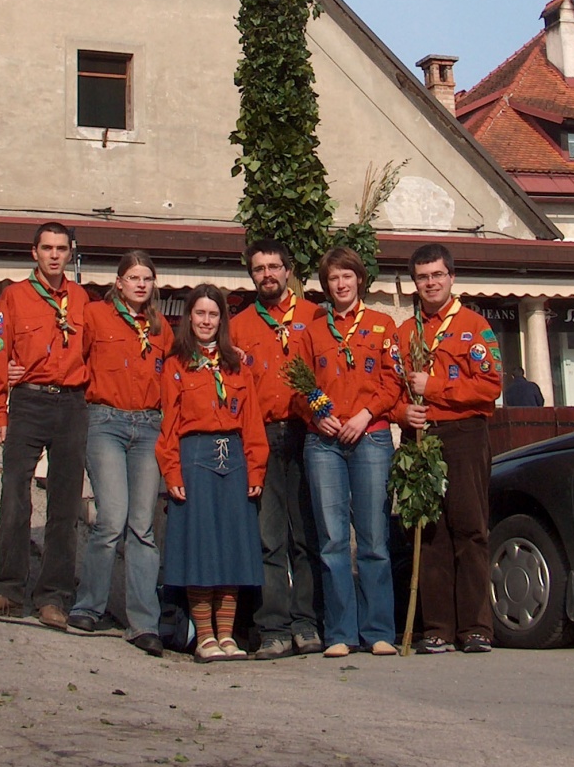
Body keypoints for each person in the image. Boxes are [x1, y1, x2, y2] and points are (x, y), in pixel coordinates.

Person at [0, 222, 89, 630]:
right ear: (33, 252)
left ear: (70, 253)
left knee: (64, 504)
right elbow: (1, 352)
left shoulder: (81, 299)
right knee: (15, 496)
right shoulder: (14, 296)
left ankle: (54, 597)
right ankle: (8, 591)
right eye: (47, 248)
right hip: (29, 402)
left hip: (72, 405)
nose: (54, 255)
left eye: (61, 248)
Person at [294, 247, 400, 658]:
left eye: (347, 276)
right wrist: (315, 416)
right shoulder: (313, 330)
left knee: (374, 537)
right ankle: (340, 631)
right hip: (324, 443)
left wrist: (367, 413)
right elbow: (300, 386)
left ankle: (378, 631)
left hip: (370, 437)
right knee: (333, 539)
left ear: (360, 280)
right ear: (326, 284)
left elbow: (394, 382)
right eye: (334, 278)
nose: (341, 284)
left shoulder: (382, 324)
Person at [396, 242, 502, 654]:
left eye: (437, 275)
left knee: (470, 529)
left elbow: (490, 386)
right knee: (428, 531)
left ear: (451, 277)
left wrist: (434, 387)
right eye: (423, 277)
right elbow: (391, 387)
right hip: (420, 438)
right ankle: (437, 627)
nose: (431, 283)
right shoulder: (406, 333)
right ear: (413, 284)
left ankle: (476, 627)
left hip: (463, 435)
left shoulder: (474, 326)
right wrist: (403, 411)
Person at [68, 250, 172, 656]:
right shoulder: (95, 316)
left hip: (148, 426)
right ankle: (88, 606)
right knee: (111, 518)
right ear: (119, 282)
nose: (141, 284)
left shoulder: (160, 327)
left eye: (147, 277)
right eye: (134, 277)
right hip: (106, 422)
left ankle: (143, 622)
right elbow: (72, 359)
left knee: (143, 526)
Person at [157, 284, 268, 662]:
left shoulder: (236, 364)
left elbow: (251, 420)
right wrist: (172, 472)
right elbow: (168, 425)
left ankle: (227, 635)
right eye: (200, 314)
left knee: (233, 548)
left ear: (222, 320)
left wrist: (256, 469)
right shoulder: (176, 364)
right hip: (194, 457)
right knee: (201, 548)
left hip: (234, 458)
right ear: (189, 317)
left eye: (213, 315)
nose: (206, 321)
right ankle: (204, 636)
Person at [230, 238, 324, 659]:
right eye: (258, 269)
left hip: (307, 434)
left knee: (305, 534)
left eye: (273, 267)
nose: (266, 274)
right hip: (262, 436)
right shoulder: (240, 325)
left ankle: (307, 622)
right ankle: (273, 627)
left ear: (288, 271)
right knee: (269, 538)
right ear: (251, 275)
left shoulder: (315, 317)